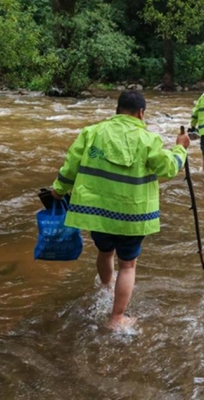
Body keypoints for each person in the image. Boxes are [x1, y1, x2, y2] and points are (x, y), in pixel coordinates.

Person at [50, 90, 190, 331]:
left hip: (96, 214)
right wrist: (181, 149)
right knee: (128, 264)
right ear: (141, 113)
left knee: (105, 252)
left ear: (116, 110)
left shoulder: (91, 133)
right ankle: (116, 318)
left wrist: (58, 190)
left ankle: (105, 288)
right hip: (132, 216)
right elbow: (167, 169)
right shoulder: (148, 139)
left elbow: (71, 166)